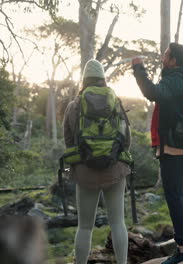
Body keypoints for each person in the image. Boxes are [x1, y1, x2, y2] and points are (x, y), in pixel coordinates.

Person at [131, 43, 183, 264]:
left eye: (166, 54)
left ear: (173, 60)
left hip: (173, 148)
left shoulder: (173, 79)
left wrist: (139, 69)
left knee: (177, 198)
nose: (163, 56)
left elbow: (151, 92)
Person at [63, 59, 130, 264]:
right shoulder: (115, 102)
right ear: (102, 79)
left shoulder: (74, 106)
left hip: (85, 172)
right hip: (115, 170)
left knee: (84, 227)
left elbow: (68, 141)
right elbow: (126, 141)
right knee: (118, 222)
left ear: (84, 80)